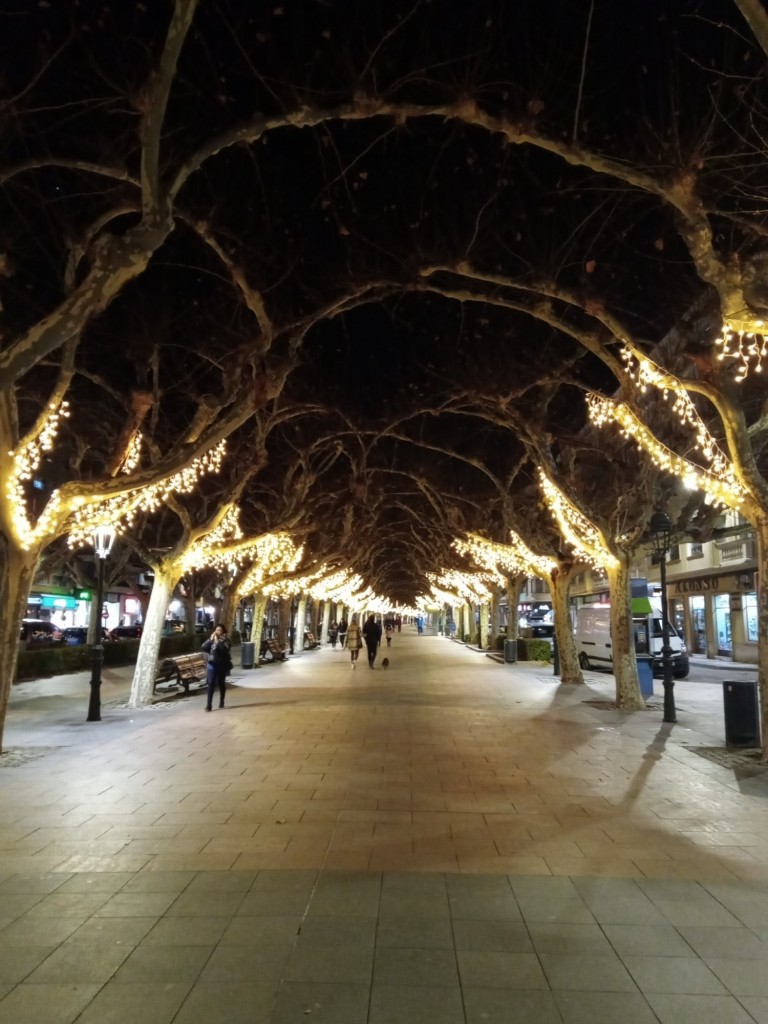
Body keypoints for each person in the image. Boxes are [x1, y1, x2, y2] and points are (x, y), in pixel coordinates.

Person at [201, 623, 232, 711]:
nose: (218, 632)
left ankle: (222, 700)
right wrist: (210, 640)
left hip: (221, 664)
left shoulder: (226, 640)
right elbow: (203, 647)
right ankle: (209, 705)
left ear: (223, 631)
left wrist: (217, 642)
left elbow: (224, 649)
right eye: (217, 630)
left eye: (220, 630)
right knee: (210, 683)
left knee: (221, 683)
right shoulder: (212, 639)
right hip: (212, 664)